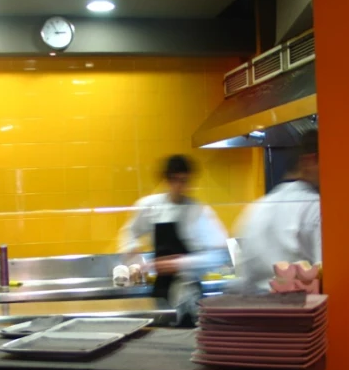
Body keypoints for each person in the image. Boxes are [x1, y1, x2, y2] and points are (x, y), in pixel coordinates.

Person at [118, 155, 228, 308]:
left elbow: (219, 255)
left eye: (184, 181)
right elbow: (129, 232)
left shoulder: (199, 211)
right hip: (161, 290)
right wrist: (133, 254)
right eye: (174, 180)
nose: (179, 186)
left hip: (190, 291)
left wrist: (179, 263)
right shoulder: (150, 206)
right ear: (166, 180)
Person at [235, 128, 321, 292]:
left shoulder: (257, 207)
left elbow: (244, 274)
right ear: (310, 160)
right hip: (300, 311)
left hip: (257, 309)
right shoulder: (314, 206)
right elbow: (325, 273)